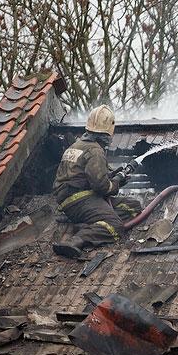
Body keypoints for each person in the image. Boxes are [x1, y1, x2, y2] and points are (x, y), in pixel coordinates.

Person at [52, 105, 142, 258]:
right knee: (115, 226)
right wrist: (116, 183)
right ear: (108, 131)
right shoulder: (95, 151)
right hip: (80, 200)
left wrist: (114, 176)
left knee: (133, 206)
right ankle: (76, 240)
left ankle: (94, 223)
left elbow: (87, 175)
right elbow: (101, 187)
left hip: (73, 200)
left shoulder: (77, 145)